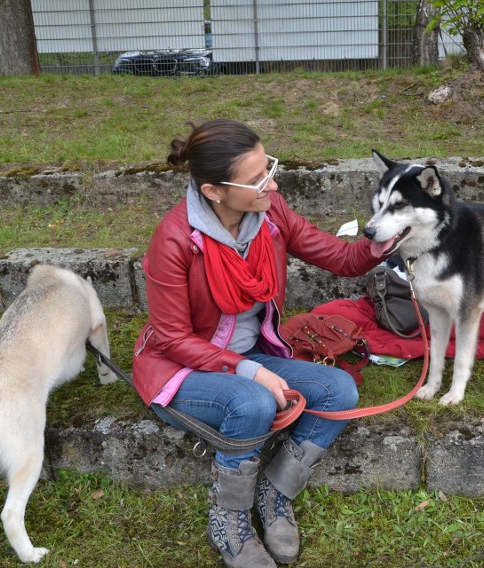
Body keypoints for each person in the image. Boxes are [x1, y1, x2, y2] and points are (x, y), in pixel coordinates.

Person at [132, 119, 385, 567]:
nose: (272, 181)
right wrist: (253, 371)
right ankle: (229, 518)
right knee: (253, 403)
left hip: (249, 357)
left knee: (340, 390)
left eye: (268, 165)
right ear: (214, 191)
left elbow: (341, 257)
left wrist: (388, 240)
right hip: (180, 368)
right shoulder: (173, 239)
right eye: (256, 179)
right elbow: (172, 339)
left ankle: (275, 491)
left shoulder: (271, 212)